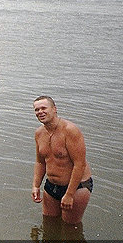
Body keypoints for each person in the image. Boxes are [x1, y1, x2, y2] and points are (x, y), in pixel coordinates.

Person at [32, 96, 93, 224]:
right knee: (49, 224)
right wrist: (36, 186)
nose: (40, 112)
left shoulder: (70, 130)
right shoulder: (39, 133)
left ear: (54, 109)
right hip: (51, 186)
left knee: (70, 229)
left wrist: (69, 195)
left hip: (76, 188)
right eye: (37, 110)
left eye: (44, 108)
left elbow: (79, 164)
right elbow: (40, 162)